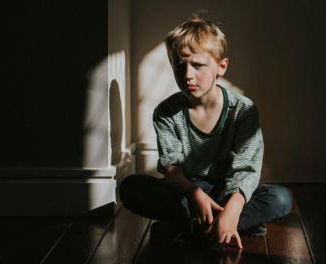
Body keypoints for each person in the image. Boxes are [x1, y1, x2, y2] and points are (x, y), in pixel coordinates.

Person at [119, 14, 292, 249]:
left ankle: (198, 226)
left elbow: (246, 169)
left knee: (280, 199)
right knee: (131, 188)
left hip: (227, 190)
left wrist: (233, 207)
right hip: (187, 192)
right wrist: (195, 193)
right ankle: (227, 225)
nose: (188, 75)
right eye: (180, 66)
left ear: (221, 67)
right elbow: (172, 169)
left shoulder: (243, 110)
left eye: (198, 66)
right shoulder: (167, 112)